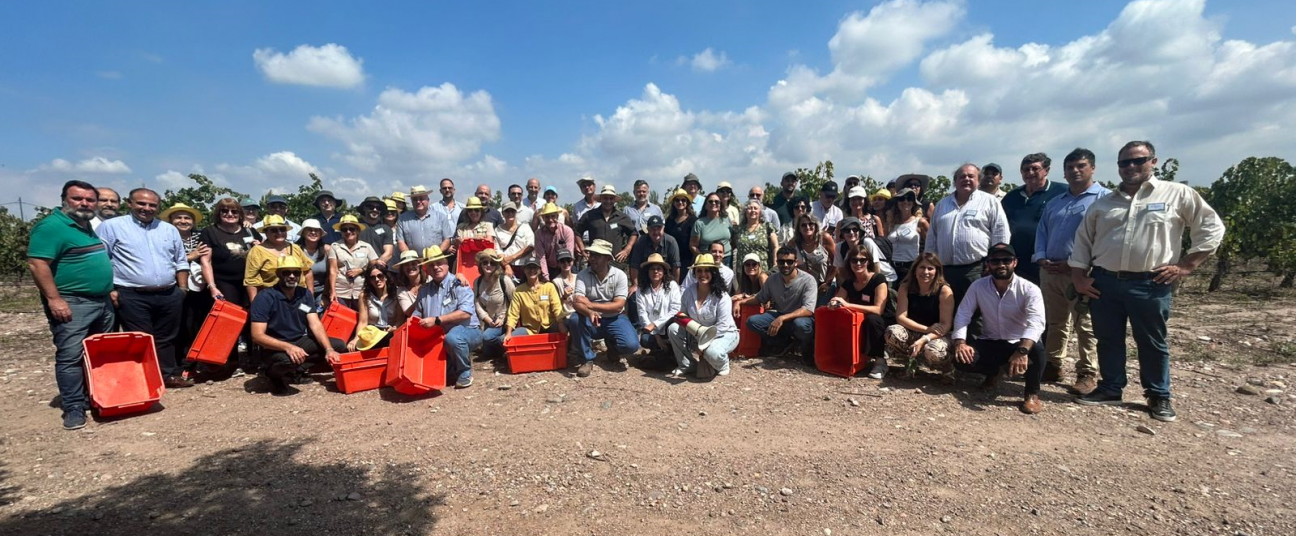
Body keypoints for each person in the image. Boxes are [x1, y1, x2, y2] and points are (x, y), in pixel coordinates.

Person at [1071, 141, 1225, 422]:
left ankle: (1158, 395)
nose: (1130, 166)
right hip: (1104, 282)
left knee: (1152, 342)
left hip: (1150, 282)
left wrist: (1187, 265)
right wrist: (1079, 277)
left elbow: (1212, 227)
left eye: (1138, 160)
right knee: (1107, 339)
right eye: (1124, 162)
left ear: (1153, 161)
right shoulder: (1104, 203)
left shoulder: (1177, 194)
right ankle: (1110, 388)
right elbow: (1083, 241)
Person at [28, 180, 117, 429]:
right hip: (73, 302)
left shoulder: (85, 226)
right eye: (77, 198)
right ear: (64, 199)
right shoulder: (51, 227)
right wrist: (54, 299)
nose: (84, 203)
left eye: (90, 199)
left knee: (97, 353)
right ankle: (74, 407)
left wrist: (108, 288)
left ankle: (96, 397)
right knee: (71, 355)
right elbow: (37, 264)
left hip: (101, 301)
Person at [97, 188, 193, 390]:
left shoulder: (168, 229)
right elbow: (101, 260)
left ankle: (167, 375)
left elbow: (180, 261)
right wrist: (109, 289)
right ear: (130, 203)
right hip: (132, 293)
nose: (147, 208)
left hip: (169, 292)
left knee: (167, 338)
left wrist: (182, 289)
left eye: (152, 205)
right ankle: (143, 379)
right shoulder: (112, 227)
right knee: (139, 338)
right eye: (141, 203)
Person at [1034, 148, 1109, 391]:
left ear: (1092, 168)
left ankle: (1087, 372)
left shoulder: (1104, 200)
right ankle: (1053, 365)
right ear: (1064, 172)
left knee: (1084, 324)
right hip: (1051, 271)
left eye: (1081, 166)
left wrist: (1077, 264)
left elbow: (1105, 239)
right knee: (1055, 321)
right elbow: (1042, 232)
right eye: (1070, 167)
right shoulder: (1056, 202)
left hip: (1082, 273)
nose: (1075, 171)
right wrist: (1041, 257)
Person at [950, 243, 1047, 414]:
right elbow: (963, 313)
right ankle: (995, 373)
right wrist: (960, 342)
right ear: (988, 264)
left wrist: (1022, 351)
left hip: (1019, 342)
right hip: (992, 340)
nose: (1001, 264)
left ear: (1015, 262)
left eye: (1006, 260)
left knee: (1037, 350)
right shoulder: (978, 286)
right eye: (995, 261)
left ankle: (1032, 394)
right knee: (961, 359)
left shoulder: (1030, 289)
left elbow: (1036, 322)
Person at [249, 256, 345, 395]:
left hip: (298, 340)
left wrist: (329, 349)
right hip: (273, 346)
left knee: (338, 346)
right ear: (278, 274)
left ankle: (296, 371)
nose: (292, 276)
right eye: (286, 272)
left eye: (296, 272)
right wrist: (288, 347)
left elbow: (315, 324)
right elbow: (257, 335)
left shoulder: (304, 294)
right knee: (288, 360)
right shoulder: (265, 297)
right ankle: (272, 375)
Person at [925, 163, 1011, 307]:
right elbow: (932, 238)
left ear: (978, 180)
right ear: (955, 181)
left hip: (976, 270)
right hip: (945, 271)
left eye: (971, 176)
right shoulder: (942, 204)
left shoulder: (990, 202)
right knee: (946, 311)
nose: (966, 179)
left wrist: (995, 263)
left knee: (978, 312)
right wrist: (929, 264)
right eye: (962, 176)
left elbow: (1001, 233)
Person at [199, 198, 263, 373]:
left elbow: (262, 252)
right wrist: (212, 286)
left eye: (234, 211)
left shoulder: (249, 230)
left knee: (253, 317)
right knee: (229, 321)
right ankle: (231, 361)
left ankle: (254, 358)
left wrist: (259, 246)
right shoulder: (210, 232)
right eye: (225, 211)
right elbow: (206, 261)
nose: (230, 214)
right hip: (224, 281)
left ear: (240, 214)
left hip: (250, 281)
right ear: (218, 213)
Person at [565, 239, 641, 377]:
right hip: (592, 319)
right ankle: (586, 358)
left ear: (608, 259)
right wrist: (589, 312)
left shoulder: (620, 275)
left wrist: (590, 305)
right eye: (591, 254)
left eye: (597, 255)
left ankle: (613, 346)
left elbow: (618, 305)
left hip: (615, 318)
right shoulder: (582, 275)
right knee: (574, 319)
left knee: (631, 345)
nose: (592, 258)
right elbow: (577, 302)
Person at [414, 245, 482, 389]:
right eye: (431, 265)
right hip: (439, 336)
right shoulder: (423, 291)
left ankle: (464, 372)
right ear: (426, 269)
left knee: (453, 338)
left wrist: (437, 320)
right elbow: (416, 315)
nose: (436, 267)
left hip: (468, 330)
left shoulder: (459, 283)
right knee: (443, 375)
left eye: (439, 263)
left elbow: (465, 312)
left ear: (447, 264)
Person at [828, 245, 894, 379]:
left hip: (882, 321)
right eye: (854, 260)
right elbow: (838, 300)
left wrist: (848, 305)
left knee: (872, 319)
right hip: (859, 321)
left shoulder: (878, 279)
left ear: (868, 262)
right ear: (849, 263)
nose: (858, 263)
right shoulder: (848, 283)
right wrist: (833, 304)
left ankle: (880, 362)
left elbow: (878, 310)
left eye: (862, 260)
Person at [739, 245, 816, 361]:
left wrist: (782, 318)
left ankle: (806, 348)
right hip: (780, 316)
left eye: (789, 262)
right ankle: (783, 344)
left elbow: (808, 310)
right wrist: (740, 302)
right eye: (781, 261)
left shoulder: (808, 280)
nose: (785, 265)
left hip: (800, 318)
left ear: (796, 262)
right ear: (777, 262)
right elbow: (759, 298)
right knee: (752, 321)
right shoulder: (772, 279)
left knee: (801, 325)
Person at [886, 252, 955, 380]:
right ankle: (911, 363)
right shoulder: (905, 287)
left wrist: (925, 338)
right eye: (922, 267)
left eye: (930, 268)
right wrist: (926, 329)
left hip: (938, 334)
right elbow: (901, 317)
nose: (926, 272)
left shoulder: (944, 291)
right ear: (915, 269)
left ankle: (947, 367)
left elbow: (945, 325)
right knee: (892, 332)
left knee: (933, 350)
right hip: (916, 330)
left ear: (937, 271)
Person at [670, 254, 740, 377]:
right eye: (699, 271)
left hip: (724, 334)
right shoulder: (688, 292)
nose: (703, 274)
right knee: (673, 329)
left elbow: (723, 326)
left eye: (707, 270)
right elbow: (683, 316)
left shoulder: (722, 296)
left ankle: (722, 363)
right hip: (697, 333)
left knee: (712, 353)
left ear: (713, 273)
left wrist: (703, 344)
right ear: (694, 273)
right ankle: (687, 365)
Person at [162, 203, 213, 370]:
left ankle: (195, 360)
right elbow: (163, 260)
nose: (183, 221)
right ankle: (178, 362)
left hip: (200, 287)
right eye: (178, 217)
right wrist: (190, 256)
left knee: (197, 323)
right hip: (174, 286)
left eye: (187, 218)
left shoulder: (200, 236)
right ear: (171, 220)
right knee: (179, 324)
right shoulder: (164, 237)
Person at [1003, 153, 1066, 284]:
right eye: (1026, 169)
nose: (1030, 173)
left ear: (1046, 170)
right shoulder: (1011, 197)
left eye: (1035, 168)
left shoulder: (1063, 192)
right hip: (1018, 263)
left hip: (1049, 264)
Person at [244, 215, 314, 304]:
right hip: (272, 300)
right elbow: (251, 281)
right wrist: (255, 304)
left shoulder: (295, 248)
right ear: (266, 232)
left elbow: (307, 272)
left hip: (299, 298)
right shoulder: (257, 251)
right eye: (274, 230)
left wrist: (310, 296)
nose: (279, 232)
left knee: (306, 311)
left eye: (282, 229)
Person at [503, 256, 567, 345]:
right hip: (530, 330)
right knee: (504, 340)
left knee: (569, 328)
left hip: (550, 325)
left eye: (535, 268)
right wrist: (509, 332)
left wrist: (560, 324)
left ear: (540, 270)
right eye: (529, 268)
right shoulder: (518, 290)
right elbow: (513, 313)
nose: (532, 270)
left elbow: (557, 307)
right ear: (524, 270)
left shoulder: (549, 287)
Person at [576, 185, 637, 271]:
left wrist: (627, 249)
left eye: (611, 198)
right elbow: (577, 232)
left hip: (616, 263)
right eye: (605, 198)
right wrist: (582, 249)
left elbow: (633, 233)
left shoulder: (622, 217)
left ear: (614, 200)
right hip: (595, 263)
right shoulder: (590, 215)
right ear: (601, 199)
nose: (608, 201)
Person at [634, 253, 681, 356]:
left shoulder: (672, 286)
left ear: (664, 271)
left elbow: (675, 309)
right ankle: (661, 352)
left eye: (659, 269)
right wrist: (656, 335)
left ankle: (671, 351)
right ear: (647, 272)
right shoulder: (641, 289)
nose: (655, 271)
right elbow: (642, 314)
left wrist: (655, 324)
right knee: (645, 340)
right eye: (652, 269)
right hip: (651, 330)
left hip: (668, 326)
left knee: (674, 329)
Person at [348, 265, 404, 351]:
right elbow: (363, 322)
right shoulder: (364, 296)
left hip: (391, 332)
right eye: (372, 278)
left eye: (380, 276)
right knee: (353, 347)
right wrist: (356, 338)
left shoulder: (397, 293)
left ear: (386, 277)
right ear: (369, 281)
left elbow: (400, 320)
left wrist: (394, 328)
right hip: (373, 334)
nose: (377, 279)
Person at [327, 215, 376, 310]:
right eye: (344, 230)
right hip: (341, 291)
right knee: (341, 317)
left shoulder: (367, 247)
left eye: (352, 229)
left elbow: (375, 265)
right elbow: (333, 270)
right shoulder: (335, 246)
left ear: (358, 231)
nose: (348, 232)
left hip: (361, 290)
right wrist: (332, 291)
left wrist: (361, 270)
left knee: (361, 316)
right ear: (341, 232)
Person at [474, 249, 515, 357]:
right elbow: (477, 302)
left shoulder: (504, 280)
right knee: (487, 353)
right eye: (485, 262)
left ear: (496, 265)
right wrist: (486, 318)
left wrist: (503, 318)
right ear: (481, 264)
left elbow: (514, 302)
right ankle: (502, 346)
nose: (488, 265)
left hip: (505, 321)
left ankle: (503, 341)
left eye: (492, 263)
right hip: (489, 321)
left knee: (487, 337)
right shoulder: (477, 282)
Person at [883, 188, 928, 284]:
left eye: (909, 198)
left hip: (911, 267)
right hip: (892, 267)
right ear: (897, 203)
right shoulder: (891, 223)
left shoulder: (920, 222)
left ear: (914, 203)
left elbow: (931, 245)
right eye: (902, 199)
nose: (905, 201)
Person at [628, 214, 682, 292]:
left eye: (659, 229)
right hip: (645, 282)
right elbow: (634, 265)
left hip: (666, 281)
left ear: (663, 228)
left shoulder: (671, 242)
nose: (656, 232)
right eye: (653, 229)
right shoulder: (640, 242)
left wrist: (675, 286)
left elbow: (676, 266)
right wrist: (635, 285)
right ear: (647, 229)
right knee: (632, 296)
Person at [396, 185, 454, 255]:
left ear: (428, 200)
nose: (418, 202)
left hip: (437, 258)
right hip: (414, 260)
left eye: (421, 199)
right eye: (415, 199)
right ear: (411, 201)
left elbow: (447, 239)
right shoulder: (403, 219)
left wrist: (436, 253)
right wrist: (410, 257)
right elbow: (400, 241)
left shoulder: (440, 217)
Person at [792, 214, 835, 305]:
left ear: (816, 225)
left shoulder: (825, 238)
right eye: (803, 225)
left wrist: (828, 283)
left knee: (820, 310)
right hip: (803, 286)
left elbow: (836, 262)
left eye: (811, 224)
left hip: (823, 285)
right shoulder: (793, 243)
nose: (808, 227)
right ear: (799, 228)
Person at [534, 202, 579, 279]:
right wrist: (546, 276)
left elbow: (569, 254)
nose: (550, 220)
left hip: (567, 265)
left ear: (557, 216)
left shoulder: (567, 231)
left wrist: (565, 276)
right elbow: (541, 257)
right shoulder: (538, 234)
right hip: (549, 268)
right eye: (547, 217)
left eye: (553, 216)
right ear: (543, 218)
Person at [730, 200, 779, 271]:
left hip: (763, 269)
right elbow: (732, 246)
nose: (753, 210)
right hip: (743, 270)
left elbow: (775, 247)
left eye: (755, 208)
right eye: (750, 208)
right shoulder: (739, 229)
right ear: (745, 212)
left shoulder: (768, 227)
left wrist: (775, 263)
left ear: (760, 212)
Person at [664, 189, 698, 279]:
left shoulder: (693, 220)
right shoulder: (669, 220)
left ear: (687, 203)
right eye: (677, 200)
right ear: (673, 203)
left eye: (683, 200)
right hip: (671, 260)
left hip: (687, 260)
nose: (680, 202)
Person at [496, 201, 535, 278]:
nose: (510, 213)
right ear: (502, 213)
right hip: (506, 268)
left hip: (525, 266)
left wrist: (512, 258)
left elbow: (531, 246)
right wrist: (507, 266)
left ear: (516, 212)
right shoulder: (497, 230)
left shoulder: (525, 227)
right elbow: (497, 250)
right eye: (507, 211)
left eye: (512, 211)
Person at [691, 193, 732, 265]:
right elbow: (693, 245)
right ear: (706, 206)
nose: (713, 203)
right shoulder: (699, 223)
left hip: (726, 259)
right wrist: (702, 258)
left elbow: (733, 238)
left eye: (717, 202)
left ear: (720, 205)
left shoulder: (726, 219)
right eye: (710, 201)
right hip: (707, 261)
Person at [296, 219, 330, 306]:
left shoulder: (327, 250)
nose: (313, 232)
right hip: (300, 291)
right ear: (303, 233)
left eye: (316, 230)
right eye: (309, 230)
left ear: (320, 233)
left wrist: (325, 295)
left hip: (322, 291)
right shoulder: (296, 250)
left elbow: (330, 274)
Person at [357, 196, 395, 269]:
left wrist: (374, 267)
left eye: (378, 208)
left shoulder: (386, 229)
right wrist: (363, 269)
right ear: (364, 208)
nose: (375, 209)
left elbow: (388, 253)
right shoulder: (355, 227)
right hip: (357, 268)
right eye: (371, 207)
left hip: (379, 269)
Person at [392, 249, 425, 317]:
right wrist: (423, 295)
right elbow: (408, 312)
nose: (410, 267)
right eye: (406, 265)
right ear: (402, 269)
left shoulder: (430, 280)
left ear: (420, 265)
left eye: (413, 263)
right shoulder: (401, 291)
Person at [551, 249, 578, 317]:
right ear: (558, 264)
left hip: (581, 311)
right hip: (567, 315)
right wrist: (564, 297)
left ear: (572, 261)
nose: (566, 263)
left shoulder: (578, 277)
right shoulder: (556, 281)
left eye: (568, 260)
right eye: (562, 261)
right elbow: (555, 304)